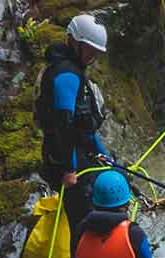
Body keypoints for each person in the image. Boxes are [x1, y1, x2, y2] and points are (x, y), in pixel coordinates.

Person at [35, 13, 111, 224]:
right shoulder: (67, 75)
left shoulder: (73, 70)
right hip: (65, 158)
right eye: (90, 50)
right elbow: (63, 124)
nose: (93, 56)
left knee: (96, 199)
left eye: (96, 52)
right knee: (83, 216)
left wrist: (103, 156)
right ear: (74, 42)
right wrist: (69, 170)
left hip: (77, 151)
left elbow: (82, 127)